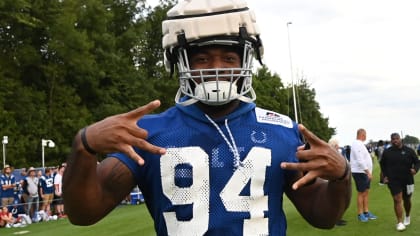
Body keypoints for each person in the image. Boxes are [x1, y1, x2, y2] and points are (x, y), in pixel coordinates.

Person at [63, 0, 351, 235]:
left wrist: (342, 175)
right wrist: (84, 146)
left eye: (229, 58)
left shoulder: (281, 129)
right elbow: (84, 213)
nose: (217, 68)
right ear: (180, 62)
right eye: (202, 59)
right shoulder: (149, 133)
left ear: (246, 61)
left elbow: (322, 216)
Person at [380, 133, 420, 231]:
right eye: (393, 139)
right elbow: (383, 165)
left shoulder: (409, 151)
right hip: (393, 180)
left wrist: (415, 169)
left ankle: (407, 216)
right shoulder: (387, 152)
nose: (395, 141)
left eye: (396, 139)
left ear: (400, 139)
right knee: (397, 199)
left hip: (407, 179)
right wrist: (384, 176)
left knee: (407, 200)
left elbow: (417, 162)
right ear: (391, 140)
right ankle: (399, 222)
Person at [350, 128, 377, 222]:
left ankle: (366, 212)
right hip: (360, 172)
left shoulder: (360, 144)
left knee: (366, 192)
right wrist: (368, 172)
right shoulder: (357, 144)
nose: (366, 136)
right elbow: (359, 159)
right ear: (362, 134)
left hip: (364, 172)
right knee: (361, 193)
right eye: (365, 134)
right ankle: (360, 214)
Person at [328, 138, 350, 226]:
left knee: (341, 200)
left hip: (340, 180)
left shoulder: (338, 153)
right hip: (334, 180)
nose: (338, 147)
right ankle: (335, 220)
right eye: (337, 145)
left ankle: (338, 218)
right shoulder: (330, 154)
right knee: (335, 201)